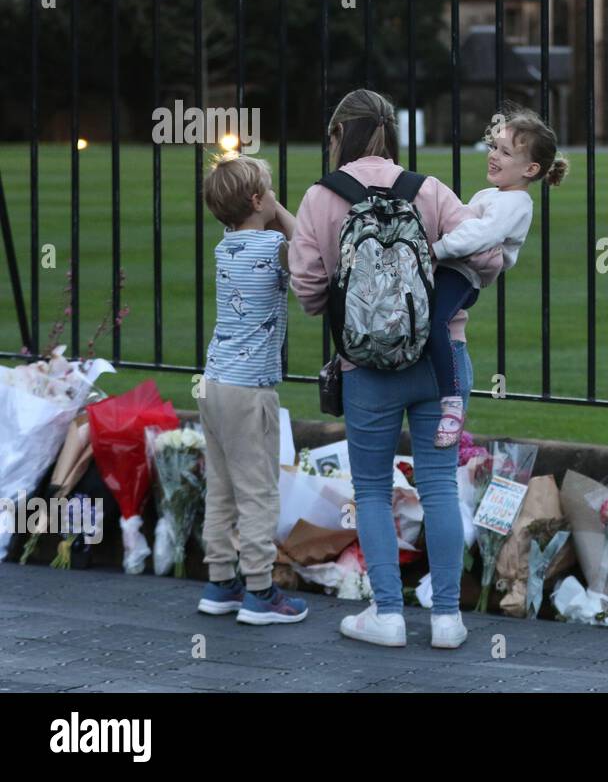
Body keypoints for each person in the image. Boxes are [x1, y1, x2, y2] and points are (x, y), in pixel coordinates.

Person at [288, 89, 503, 649]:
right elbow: (490, 258)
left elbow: (309, 288)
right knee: (436, 484)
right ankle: (448, 618)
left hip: (365, 364)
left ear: (339, 136)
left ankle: (386, 613)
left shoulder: (320, 197)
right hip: (440, 360)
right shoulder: (427, 189)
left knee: (374, 489)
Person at [195, 154, 308, 625]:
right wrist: (280, 209)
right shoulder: (269, 247)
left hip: (214, 382)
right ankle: (260, 590)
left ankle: (221, 580)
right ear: (260, 200)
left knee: (221, 487)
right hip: (248, 391)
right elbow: (309, 247)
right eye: (269, 189)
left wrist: (264, 203)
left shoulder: (228, 245)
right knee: (258, 489)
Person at [428, 104, 566, 448]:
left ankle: (451, 402)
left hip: (461, 275)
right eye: (494, 147)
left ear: (530, 168)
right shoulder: (493, 195)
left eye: (505, 152)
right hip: (453, 268)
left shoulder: (516, 203)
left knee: (433, 322)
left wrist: (436, 249)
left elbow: (480, 236)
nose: (493, 156)